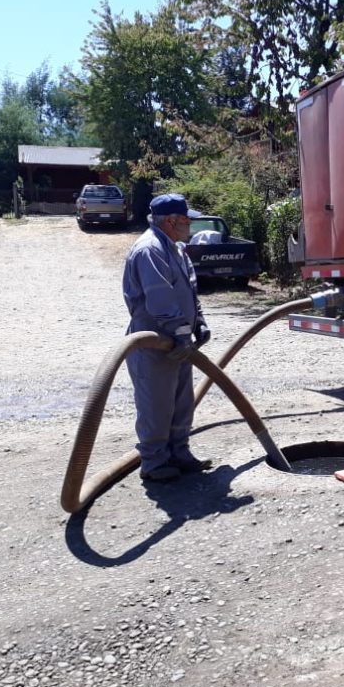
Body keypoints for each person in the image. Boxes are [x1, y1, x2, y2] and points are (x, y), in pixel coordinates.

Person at [122, 193, 212, 481]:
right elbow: (160, 298)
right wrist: (181, 332)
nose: (191, 226)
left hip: (177, 340)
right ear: (172, 221)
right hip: (153, 342)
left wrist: (199, 323)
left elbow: (189, 289)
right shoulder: (150, 250)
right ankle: (154, 463)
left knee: (181, 402)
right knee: (157, 406)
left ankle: (179, 453)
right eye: (187, 220)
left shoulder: (176, 248)